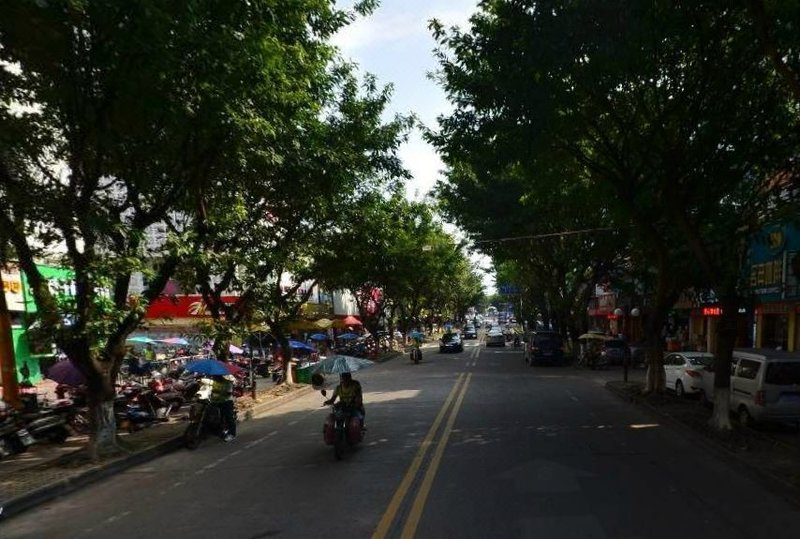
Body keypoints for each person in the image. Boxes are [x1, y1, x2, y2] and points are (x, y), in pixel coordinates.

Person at [209, 374, 236, 442]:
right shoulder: (215, 383)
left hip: (226, 402)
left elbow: (228, 393)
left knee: (229, 418)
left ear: (219, 376)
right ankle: (220, 430)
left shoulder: (228, 383)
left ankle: (232, 434)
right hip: (216, 402)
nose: (213, 378)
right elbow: (212, 392)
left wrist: (220, 394)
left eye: (215, 377)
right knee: (217, 417)